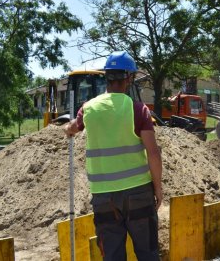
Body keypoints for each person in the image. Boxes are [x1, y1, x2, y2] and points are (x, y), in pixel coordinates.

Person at [64, 51, 163, 260]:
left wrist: (68, 129)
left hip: (104, 198)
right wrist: (158, 188)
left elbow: (73, 127)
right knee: (148, 254)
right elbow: (153, 153)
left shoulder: (88, 109)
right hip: (139, 194)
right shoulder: (138, 110)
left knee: (113, 256)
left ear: (106, 77)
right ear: (129, 78)